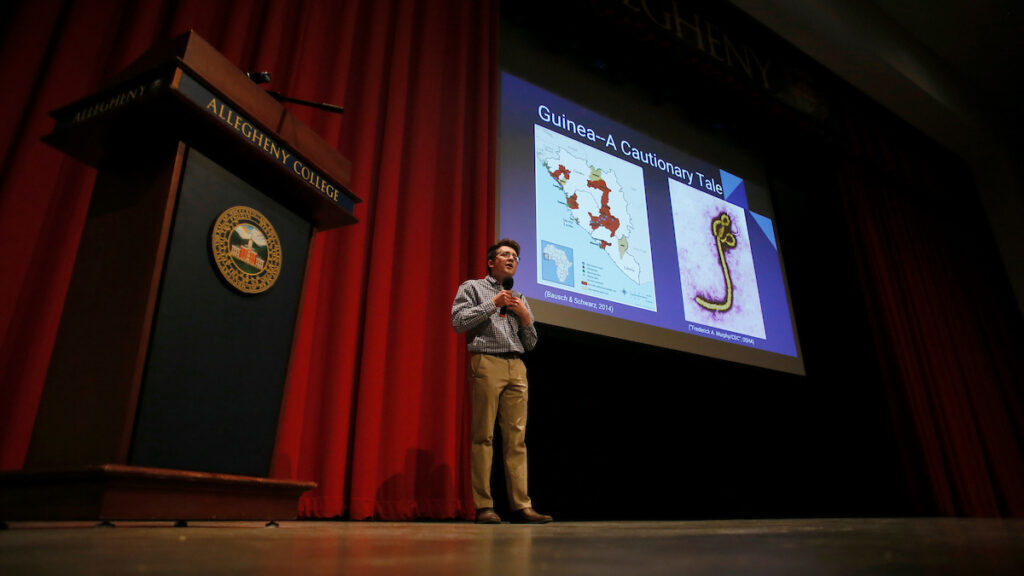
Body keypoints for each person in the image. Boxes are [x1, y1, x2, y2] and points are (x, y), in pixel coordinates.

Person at [451, 239, 553, 524]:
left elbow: (530, 343)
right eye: (505, 255)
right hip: (486, 361)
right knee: (483, 436)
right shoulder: (471, 288)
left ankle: (522, 506)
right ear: (491, 262)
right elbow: (458, 322)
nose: (511, 259)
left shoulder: (520, 297)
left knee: (517, 441)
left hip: (517, 367)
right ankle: (484, 506)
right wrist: (492, 304)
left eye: (515, 257)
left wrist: (525, 318)